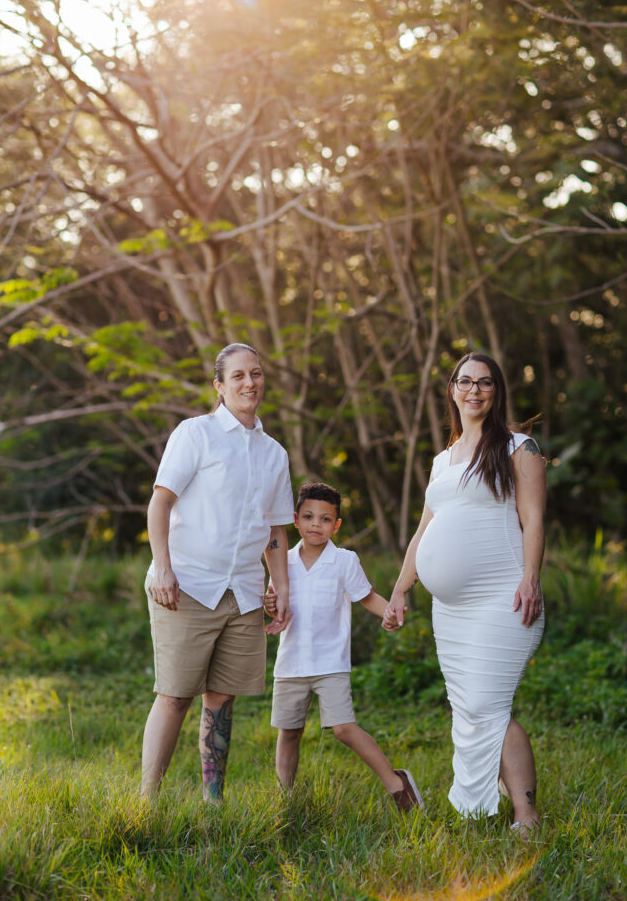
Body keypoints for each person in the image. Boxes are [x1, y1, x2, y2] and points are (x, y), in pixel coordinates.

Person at [384, 353, 545, 836]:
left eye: (486, 383)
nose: (474, 390)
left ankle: (527, 815)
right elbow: (422, 532)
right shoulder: (443, 458)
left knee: (486, 704)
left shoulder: (519, 446)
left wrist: (531, 577)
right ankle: (503, 799)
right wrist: (398, 591)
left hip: (504, 595)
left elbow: (534, 517)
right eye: (466, 382)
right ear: (452, 389)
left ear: (497, 392)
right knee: (472, 707)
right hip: (450, 612)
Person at [141, 343, 294, 801]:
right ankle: (146, 802)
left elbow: (275, 531)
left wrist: (280, 586)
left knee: (222, 699)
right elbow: (160, 502)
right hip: (187, 586)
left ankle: (213, 802)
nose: (250, 383)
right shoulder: (196, 434)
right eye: (239, 376)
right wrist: (163, 569)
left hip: (243, 594)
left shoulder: (274, 454)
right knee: (174, 695)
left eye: (257, 374)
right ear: (219, 386)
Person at [264, 482, 423, 812]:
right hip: (291, 663)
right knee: (289, 732)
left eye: (325, 519)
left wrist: (391, 614)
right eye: (308, 517)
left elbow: (366, 597)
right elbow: (274, 600)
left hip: (330, 663)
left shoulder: (344, 561)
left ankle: (398, 785)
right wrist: (269, 604)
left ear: (336, 525)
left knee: (344, 728)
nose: (315, 525)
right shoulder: (284, 562)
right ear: (295, 520)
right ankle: (285, 801)